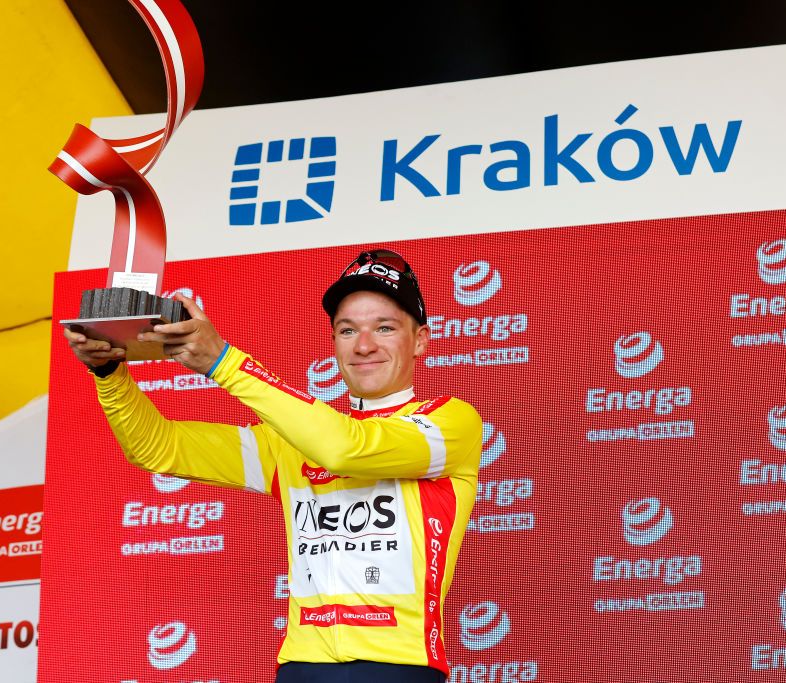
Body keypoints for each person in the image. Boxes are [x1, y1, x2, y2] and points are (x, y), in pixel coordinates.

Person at [65, 249, 482, 683]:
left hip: (397, 668)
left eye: (384, 328)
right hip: (300, 667)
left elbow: (345, 449)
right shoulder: (292, 441)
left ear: (420, 341)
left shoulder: (448, 422)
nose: (363, 345)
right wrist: (110, 374)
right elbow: (159, 447)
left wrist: (222, 362)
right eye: (346, 330)